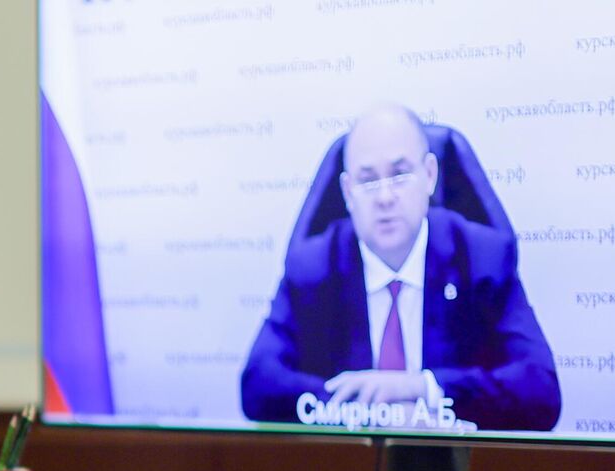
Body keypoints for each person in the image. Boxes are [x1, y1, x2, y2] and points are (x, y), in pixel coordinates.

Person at [240, 104, 560, 432]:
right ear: (348, 192)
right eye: (368, 181)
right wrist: (370, 410)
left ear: (430, 175)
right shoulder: (314, 266)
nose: (385, 197)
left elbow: (541, 391)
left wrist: (421, 390)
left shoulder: (481, 258)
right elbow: (257, 385)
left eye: (399, 174)